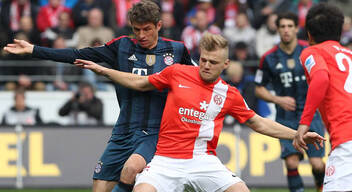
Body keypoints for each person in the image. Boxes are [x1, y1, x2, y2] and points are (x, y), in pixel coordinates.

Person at [74, 32, 325, 192]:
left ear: (225, 65)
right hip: (166, 159)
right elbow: (138, 82)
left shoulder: (229, 94)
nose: (205, 65)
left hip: (203, 160)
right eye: (203, 59)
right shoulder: (177, 73)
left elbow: (259, 123)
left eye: (213, 62)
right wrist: (104, 70)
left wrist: (297, 134)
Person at [3, 1, 195, 192]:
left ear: (158, 25)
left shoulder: (176, 51)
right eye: (137, 30)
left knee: (131, 169)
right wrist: (34, 50)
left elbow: (201, 78)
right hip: (123, 131)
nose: (141, 35)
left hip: (155, 132)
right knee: (99, 187)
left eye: (147, 29)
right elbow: (77, 54)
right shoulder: (122, 47)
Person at [293, 3, 352, 192]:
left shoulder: (312, 52)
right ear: (340, 32)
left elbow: (320, 78)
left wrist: (304, 124)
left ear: (309, 34)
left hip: (351, 141)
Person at [254, 12, 325, 192]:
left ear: (296, 29)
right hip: (286, 118)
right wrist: (277, 99)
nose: (286, 30)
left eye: (290, 26)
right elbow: (258, 88)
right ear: (277, 29)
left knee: (318, 165)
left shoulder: (309, 51)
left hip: (311, 116)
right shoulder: (269, 57)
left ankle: (320, 188)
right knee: (291, 162)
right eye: (282, 26)